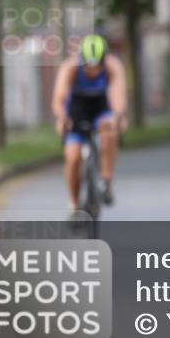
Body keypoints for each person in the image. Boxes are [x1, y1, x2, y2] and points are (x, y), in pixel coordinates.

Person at [51, 34, 128, 215]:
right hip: (76, 112)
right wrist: (62, 118)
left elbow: (118, 96)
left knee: (110, 131)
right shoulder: (69, 68)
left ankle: (106, 182)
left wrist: (117, 117)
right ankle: (74, 203)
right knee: (73, 157)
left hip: (101, 109)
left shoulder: (112, 66)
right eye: (88, 66)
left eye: (97, 66)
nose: (93, 70)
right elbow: (59, 100)